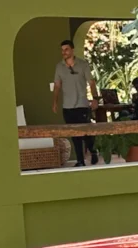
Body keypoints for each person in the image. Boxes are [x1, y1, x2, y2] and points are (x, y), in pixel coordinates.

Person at [53, 39, 100, 167]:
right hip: (67, 107)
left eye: (66, 49)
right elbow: (57, 86)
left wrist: (95, 98)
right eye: (62, 50)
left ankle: (93, 151)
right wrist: (55, 102)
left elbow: (91, 82)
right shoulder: (59, 67)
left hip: (82, 105)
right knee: (74, 134)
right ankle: (80, 160)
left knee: (86, 132)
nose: (64, 52)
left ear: (72, 50)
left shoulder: (83, 65)